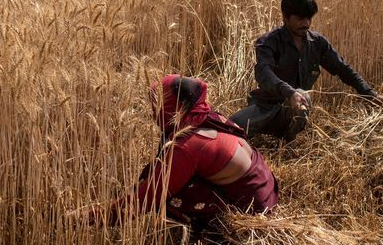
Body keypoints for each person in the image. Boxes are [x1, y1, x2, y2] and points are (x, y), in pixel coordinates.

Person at [99, 75, 279, 230]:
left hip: (253, 209)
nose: (154, 112)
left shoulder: (187, 146)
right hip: (266, 189)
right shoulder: (207, 118)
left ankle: (209, 231)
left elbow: (144, 200)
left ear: (173, 106)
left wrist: (84, 218)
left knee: (169, 193)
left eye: (158, 104)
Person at [230, 0, 383, 142]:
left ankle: (289, 139)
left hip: (297, 111)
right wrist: (289, 93)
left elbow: (343, 69)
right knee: (231, 128)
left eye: (309, 18)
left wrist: (369, 94)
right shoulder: (268, 42)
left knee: (302, 96)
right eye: (299, 18)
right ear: (285, 16)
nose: (306, 24)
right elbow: (264, 73)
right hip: (265, 108)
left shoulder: (317, 43)